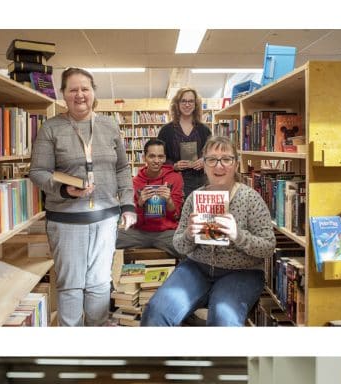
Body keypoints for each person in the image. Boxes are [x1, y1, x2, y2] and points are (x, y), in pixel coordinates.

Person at [29, 67, 135, 326]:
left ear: (93, 92)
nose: (79, 95)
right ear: (63, 94)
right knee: (71, 285)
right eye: (73, 89)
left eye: (85, 89)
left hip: (105, 218)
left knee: (100, 283)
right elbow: (37, 172)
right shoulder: (51, 128)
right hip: (66, 221)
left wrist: (128, 204)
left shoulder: (110, 126)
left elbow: (122, 167)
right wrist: (64, 190)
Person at [141, 136, 275, 326]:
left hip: (241, 272)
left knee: (224, 318)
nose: (218, 166)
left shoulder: (251, 199)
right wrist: (189, 234)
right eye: (212, 159)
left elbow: (268, 247)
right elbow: (179, 245)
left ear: (236, 164)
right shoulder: (195, 198)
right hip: (197, 267)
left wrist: (238, 235)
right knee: (156, 310)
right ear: (204, 165)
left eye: (226, 159)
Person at [117, 138, 184, 257]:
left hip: (166, 232)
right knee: (109, 239)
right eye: (152, 156)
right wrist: (140, 203)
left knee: (188, 248)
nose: (156, 161)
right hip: (139, 232)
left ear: (165, 158)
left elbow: (176, 217)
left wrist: (169, 201)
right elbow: (134, 221)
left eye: (160, 157)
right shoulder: (134, 182)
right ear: (144, 158)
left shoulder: (175, 178)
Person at [157, 88, 211, 201]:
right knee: (178, 215)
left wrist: (204, 160)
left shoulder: (204, 130)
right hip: (175, 182)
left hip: (200, 182)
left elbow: (213, 155)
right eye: (183, 101)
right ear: (177, 104)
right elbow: (159, 157)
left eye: (191, 101)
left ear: (195, 104)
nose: (187, 104)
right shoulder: (166, 130)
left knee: (198, 216)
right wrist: (174, 166)